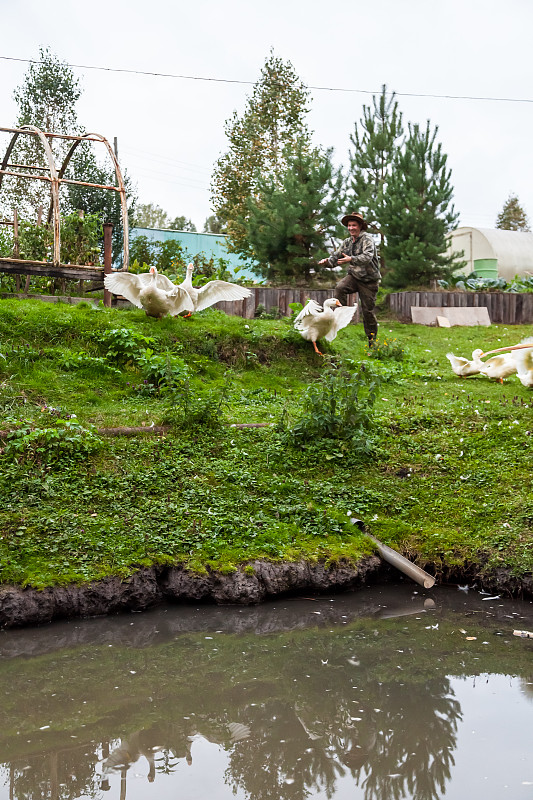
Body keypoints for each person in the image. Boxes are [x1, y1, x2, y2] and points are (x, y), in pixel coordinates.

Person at [318, 212, 381, 347]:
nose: (351, 228)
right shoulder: (347, 242)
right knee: (340, 288)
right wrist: (327, 262)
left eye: (354, 225)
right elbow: (336, 257)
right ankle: (344, 314)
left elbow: (367, 257)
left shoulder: (367, 240)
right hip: (354, 276)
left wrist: (351, 259)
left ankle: (372, 341)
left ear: (360, 226)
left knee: (367, 312)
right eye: (349, 225)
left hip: (369, 280)